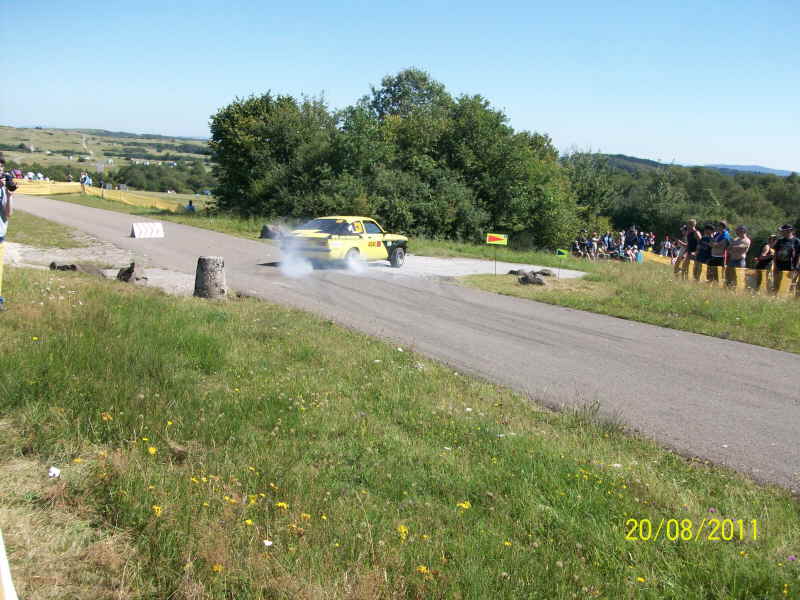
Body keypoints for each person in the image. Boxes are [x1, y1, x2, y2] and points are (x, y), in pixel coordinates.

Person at [0, 156, 15, 309]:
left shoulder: (3, 189)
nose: (0, 170)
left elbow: (8, 214)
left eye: (2, 168)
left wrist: (9, 196)